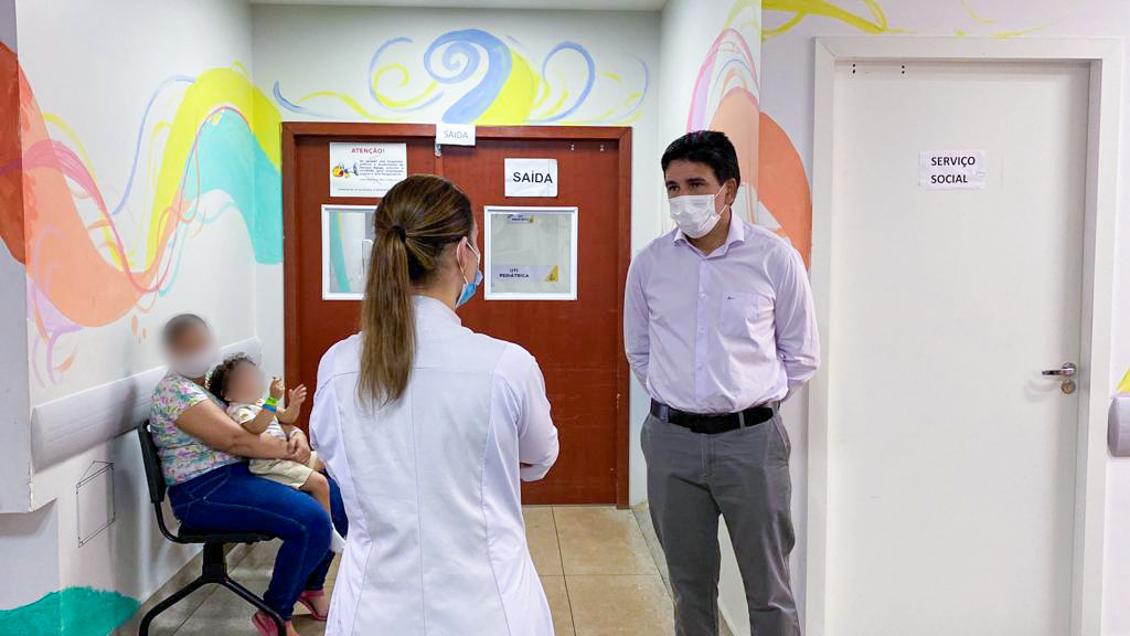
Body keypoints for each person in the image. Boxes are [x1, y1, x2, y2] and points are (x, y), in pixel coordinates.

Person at [309, 174, 560, 635]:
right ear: (465, 253)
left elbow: (334, 459)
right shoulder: (506, 366)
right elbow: (539, 459)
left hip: (374, 612)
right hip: (490, 611)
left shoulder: (338, 367)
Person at [624, 130, 820, 636]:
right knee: (689, 588)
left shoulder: (774, 258)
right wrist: (685, 403)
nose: (682, 198)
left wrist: (746, 405)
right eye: (672, 187)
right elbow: (639, 349)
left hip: (752, 444)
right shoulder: (650, 263)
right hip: (671, 444)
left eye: (695, 184)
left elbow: (800, 356)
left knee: (769, 588)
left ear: (729, 189)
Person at [149, 314, 348, 636]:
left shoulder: (212, 382)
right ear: (172, 351)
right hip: (203, 491)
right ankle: (274, 612)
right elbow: (236, 440)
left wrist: (293, 433)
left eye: (201, 343)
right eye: (188, 347)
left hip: (240, 473)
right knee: (310, 518)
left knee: (336, 500)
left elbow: (261, 418)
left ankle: (311, 588)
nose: (197, 351)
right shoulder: (176, 392)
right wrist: (289, 449)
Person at [207, 353, 347, 553]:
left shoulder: (259, 404)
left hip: (285, 459)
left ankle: (346, 515)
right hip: (269, 465)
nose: (252, 384)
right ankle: (328, 531)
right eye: (243, 381)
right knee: (320, 483)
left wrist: (295, 403)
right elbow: (256, 427)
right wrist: (272, 399)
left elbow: (288, 418)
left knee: (329, 460)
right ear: (228, 395)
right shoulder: (239, 410)